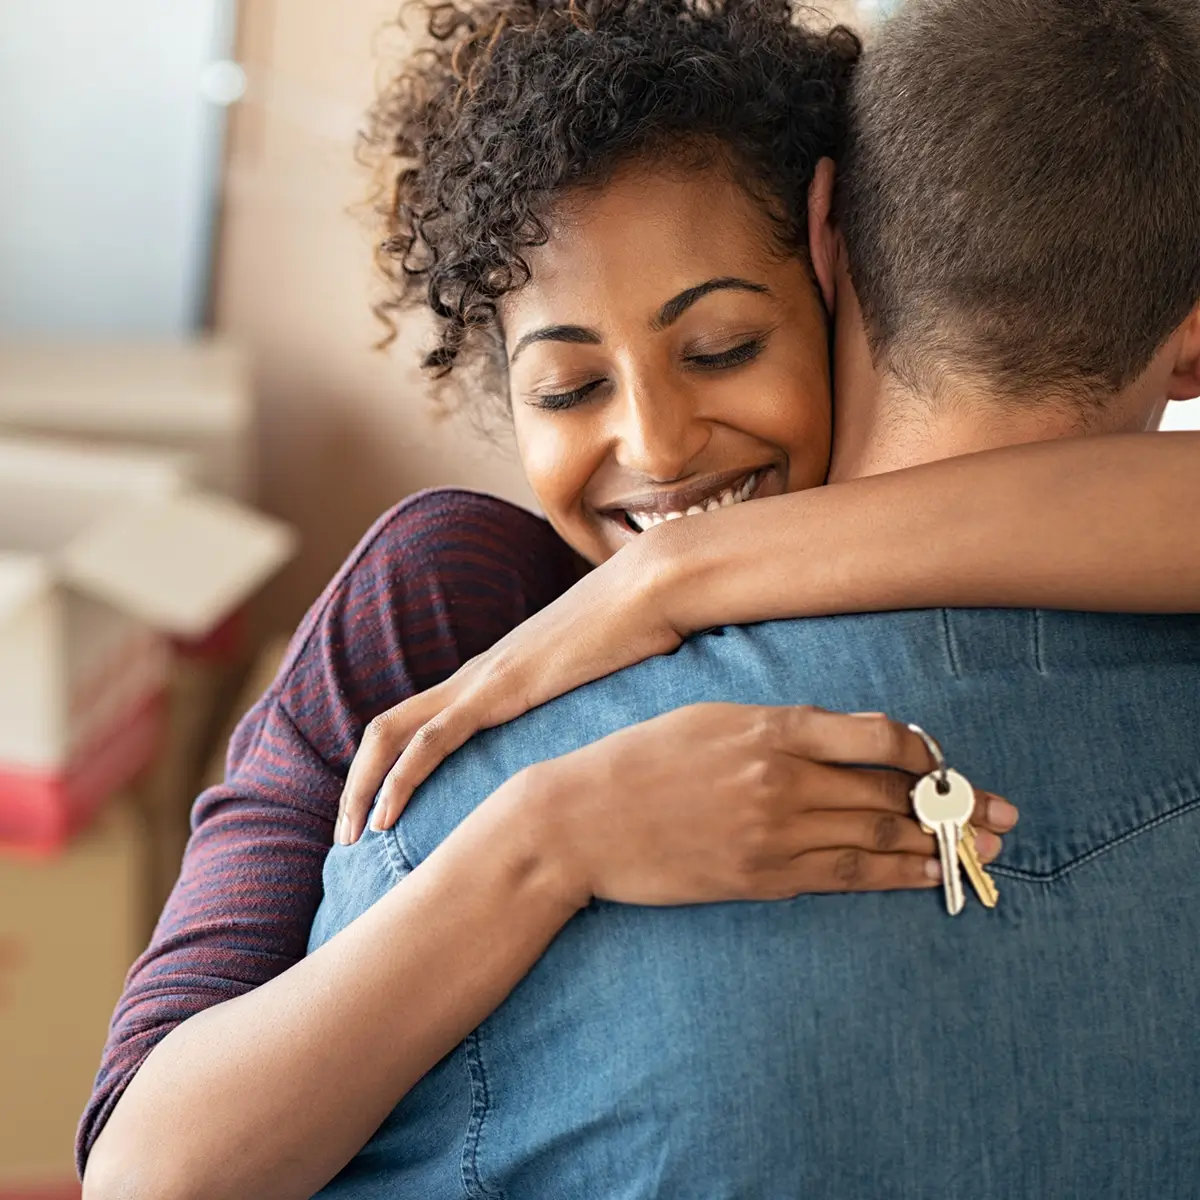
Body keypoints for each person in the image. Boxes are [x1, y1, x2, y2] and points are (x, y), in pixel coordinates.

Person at [79, 1, 1200, 1196]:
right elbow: (148, 1171)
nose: (660, 448)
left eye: (721, 349)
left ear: (831, 267)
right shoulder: (442, 610)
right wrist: (544, 840)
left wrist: (681, 576)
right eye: (566, 388)